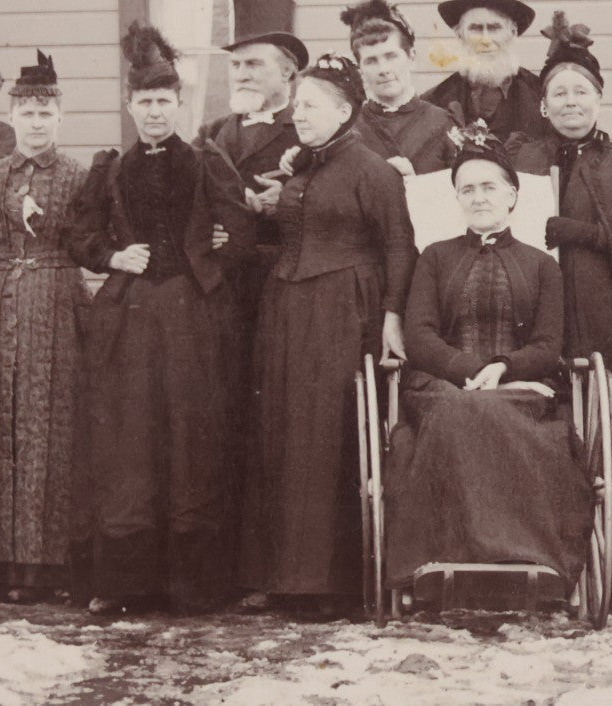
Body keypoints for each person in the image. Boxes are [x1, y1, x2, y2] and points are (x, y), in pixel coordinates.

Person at [72, 21, 256, 615]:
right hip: (129, 319)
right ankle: (129, 584)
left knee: (191, 435)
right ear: (130, 106)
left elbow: (242, 233)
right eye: (144, 102)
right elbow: (81, 234)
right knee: (131, 439)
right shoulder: (111, 169)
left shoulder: (206, 162)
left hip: (192, 316)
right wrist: (112, 257)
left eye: (163, 102)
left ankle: (194, 586)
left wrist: (210, 253)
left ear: (179, 104)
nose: (154, 112)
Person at [383, 120, 590, 597]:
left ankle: (529, 557)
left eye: (489, 187)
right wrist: (471, 370)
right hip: (443, 386)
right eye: (467, 189)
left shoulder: (542, 265)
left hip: (520, 387)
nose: (479, 198)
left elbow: (548, 345)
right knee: (461, 411)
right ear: (457, 198)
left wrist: (504, 368)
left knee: (498, 416)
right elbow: (420, 337)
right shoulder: (435, 257)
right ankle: (448, 558)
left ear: (512, 195)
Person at [245, 53, 415, 618]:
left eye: (311, 106)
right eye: (297, 106)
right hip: (287, 310)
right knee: (282, 433)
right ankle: (284, 577)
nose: (299, 115)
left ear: (344, 112)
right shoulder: (303, 165)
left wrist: (392, 316)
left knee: (327, 436)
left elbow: (399, 247)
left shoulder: (373, 171)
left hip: (343, 310)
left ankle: (330, 583)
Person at [506, 13, 612, 595]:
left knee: (610, 425)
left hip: (606, 317)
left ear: (599, 99)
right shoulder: (522, 157)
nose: (570, 102)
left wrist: (583, 233)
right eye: (559, 93)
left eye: (581, 91)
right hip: (538, 316)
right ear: (543, 105)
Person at [191, 27, 306, 612]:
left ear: (287, 74)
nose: (241, 75)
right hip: (218, 293)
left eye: (254, 65)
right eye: (235, 66)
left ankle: (267, 568)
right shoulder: (213, 133)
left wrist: (281, 204)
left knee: (270, 422)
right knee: (219, 418)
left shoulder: (304, 132)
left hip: (276, 286)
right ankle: (218, 569)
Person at [0, 50, 90, 601]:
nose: (36, 123)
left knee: (52, 422)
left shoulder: (81, 177)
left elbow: (100, 237)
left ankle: (51, 563)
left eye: (45, 114)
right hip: (0, 305)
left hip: (60, 302)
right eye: (27, 113)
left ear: (60, 118)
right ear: (12, 117)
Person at [345, 0, 459, 175]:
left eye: (391, 57)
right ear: (360, 69)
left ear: (411, 57)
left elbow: (459, 188)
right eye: (371, 61)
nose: (383, 70)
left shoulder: (443, 123)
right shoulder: (349, 128)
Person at [421, 0, 546, 141]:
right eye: (475, 28)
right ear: (460, 35)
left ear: (512, 33)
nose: (485, 40)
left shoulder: (541, 94)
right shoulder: (434, 100)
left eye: (494, 28)